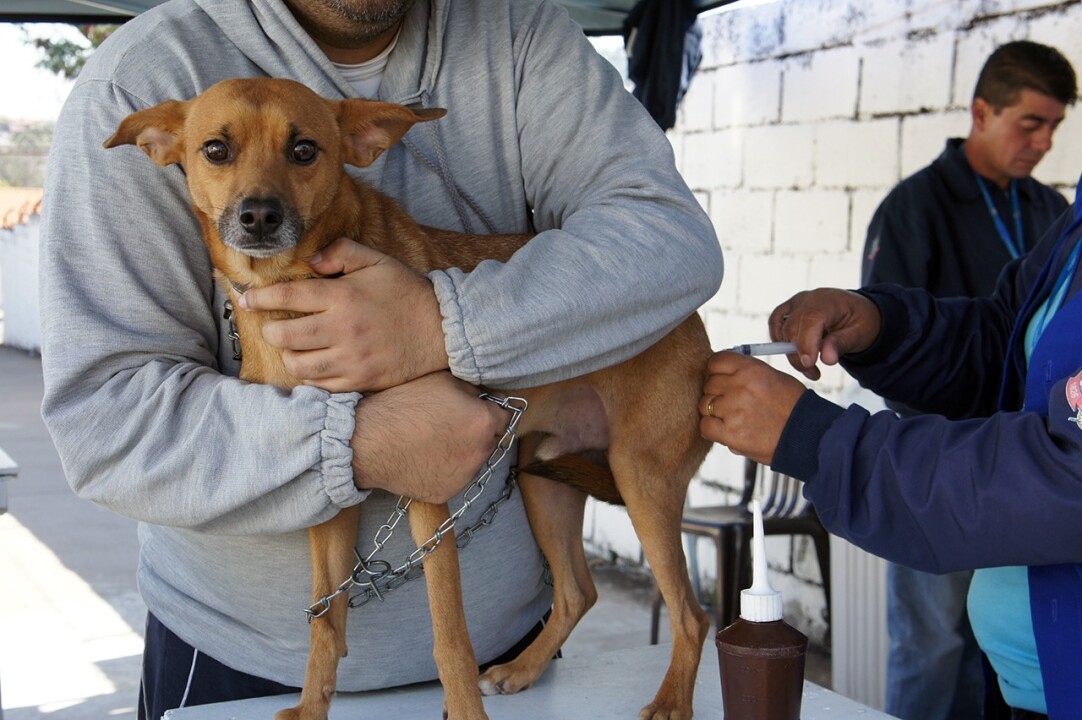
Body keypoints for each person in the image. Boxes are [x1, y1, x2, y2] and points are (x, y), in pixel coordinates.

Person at [37, 1, 723, 718]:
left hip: (499, 648)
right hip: (230, 660)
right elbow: (102, 425)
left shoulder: (524, 34)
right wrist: (360, 441)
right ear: (162, 145)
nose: (260, 197)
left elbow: (670, 237)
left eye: (301, 154)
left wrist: (437, 321)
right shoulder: (137, 76)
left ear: (359, 144)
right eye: (222, 153)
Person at [700, 165, 1082, 719]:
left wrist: (815, 438)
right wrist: (885, 328)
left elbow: (1063, 480)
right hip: (1026, 687)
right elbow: (1007, 344)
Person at [860, 40, 1075, 720]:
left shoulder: (1049, 211)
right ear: (981, 112)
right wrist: (956, 448)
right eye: (1030, 124)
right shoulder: (913, 207)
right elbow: (906, 354)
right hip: (944, 467)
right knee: (931, 645)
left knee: (992, 651)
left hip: (1031, 478)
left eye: (1056, 127)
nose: (1043, 143)